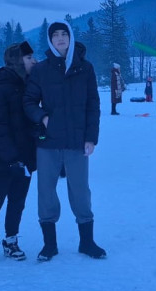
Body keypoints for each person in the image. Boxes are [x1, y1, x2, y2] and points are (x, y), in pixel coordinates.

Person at [23, 20, 105, 261]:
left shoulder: (85, 68)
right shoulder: (41, 70)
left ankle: (87, 242)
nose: (60, 38)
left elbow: (93, 105)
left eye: (64, 34)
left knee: (81, 192)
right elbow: (28, 102)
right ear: (50, 40)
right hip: (48, 143)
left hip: (77, 142)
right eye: (55, 35)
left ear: (70, 37)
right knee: (46, 192)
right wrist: (43, 117)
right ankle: (50, 245)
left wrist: (91, 138)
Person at [0, 42, 38, 266]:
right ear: (18, 60)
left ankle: (11, 240)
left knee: (17, 201)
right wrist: (11, 159)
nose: (34, 61)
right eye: (30, 57)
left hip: (23, 158)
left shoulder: (26, 85)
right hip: (2, 159)